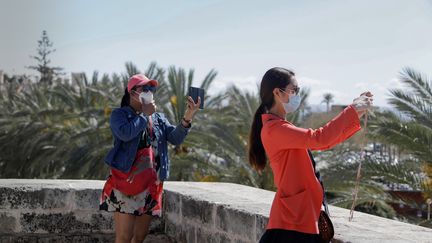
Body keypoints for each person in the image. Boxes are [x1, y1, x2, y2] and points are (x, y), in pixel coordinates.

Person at [248, 67, 373, 243]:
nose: (298, 94)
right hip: (292, 224)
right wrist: (352, 110)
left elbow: (325, 141)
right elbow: (319, 138)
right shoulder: (275, 129)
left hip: (298, 220)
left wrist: (355, 113)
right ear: (278, 92)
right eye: (295, 90)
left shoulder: (278, 126)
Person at [100, 74, 200, 243]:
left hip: (151, 184)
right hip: (126, 182)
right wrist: (144, 115)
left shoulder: (159, 118)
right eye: (144, 89)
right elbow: (125, 133)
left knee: (140, 236)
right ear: (132, 93)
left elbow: (175, 138)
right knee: (124, 237)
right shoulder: (119, 115)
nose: (149, 92)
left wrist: (188, 115)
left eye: (151, 89)